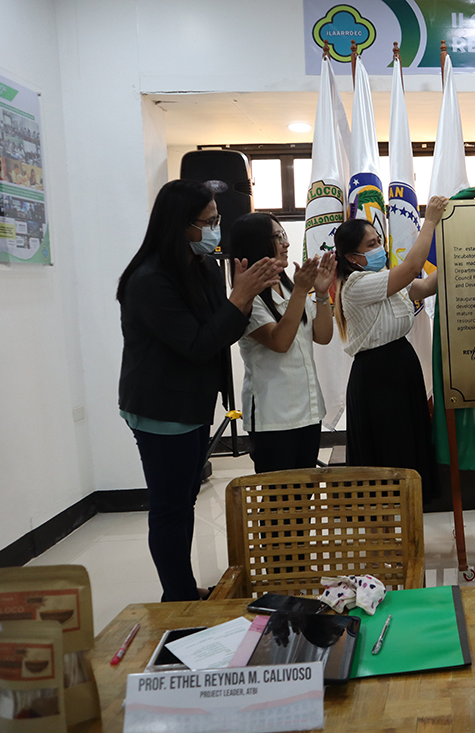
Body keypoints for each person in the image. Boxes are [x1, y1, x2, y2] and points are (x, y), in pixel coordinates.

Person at [117, 179, 280, 602]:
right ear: (179, 225)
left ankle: (184, 589)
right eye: (208, 222)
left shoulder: (202, 265)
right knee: (171, 507)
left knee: (185, 497)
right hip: (160, 407)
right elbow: (196, 344)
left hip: (191, 404)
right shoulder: (149, 280)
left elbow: (219, 331)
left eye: (217, 219)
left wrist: (243, 298)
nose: (215, 230)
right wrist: (240, 297)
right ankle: (178, 598)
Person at [333, 196, 448, 494]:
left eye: (378, 241)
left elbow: (423, 286)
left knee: (409, 441)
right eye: (370, 245)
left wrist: (454, 257)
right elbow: (412, 269)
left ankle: (411, 513)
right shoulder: (356, 284)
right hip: (377, 374)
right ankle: (386, 519)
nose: (379, 249)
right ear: (352, 258)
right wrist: (431, 221)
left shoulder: (383, 277)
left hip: (401, 363)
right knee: (388, 445)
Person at [228, 213, 336, 473]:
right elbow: (280, 342)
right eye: (278, 237)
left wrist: (321, 294)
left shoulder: (288, 287)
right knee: (280, 503)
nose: (285, 244)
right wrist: (301, 290)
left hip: (309, 410)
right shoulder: (247, 299)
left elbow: (322, 336)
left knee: (302, 499)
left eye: (284, 235)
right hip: (273, 417)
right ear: (257, 244)